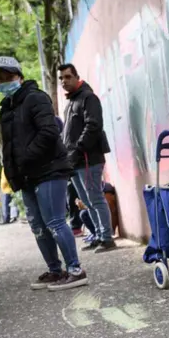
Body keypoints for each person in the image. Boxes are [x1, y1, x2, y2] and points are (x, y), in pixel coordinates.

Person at [0, 55, 88, 291]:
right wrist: (13, 172)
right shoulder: (6, 109)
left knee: (55, 221)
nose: (3, 82)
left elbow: (49, 132)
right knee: (38, 226)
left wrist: (25, 157)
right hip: (26, 176)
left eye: (8, 77)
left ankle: (76, 270)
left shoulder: (36, 98)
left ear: (19, 76)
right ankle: (55, 271)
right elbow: (9, 146)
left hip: (50, 170)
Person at [57, 63, 116, 253]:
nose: (64, 81)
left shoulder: (88, 98)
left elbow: (93, 126)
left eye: (68, 77)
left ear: (77, 77)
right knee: (86, 200)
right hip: (74, 161)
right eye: (61, 78)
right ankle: (98, 236)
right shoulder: (71, 102)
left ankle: (107, 238)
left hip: (89, 158)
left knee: (95, 198)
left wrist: (78, 149)